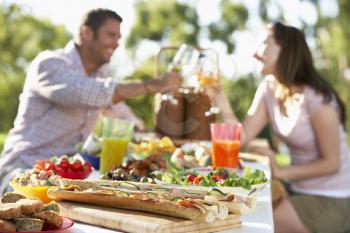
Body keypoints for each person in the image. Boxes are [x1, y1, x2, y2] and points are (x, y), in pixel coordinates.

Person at [0, 8, 181, 194]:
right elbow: (86, 93)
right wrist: (154, 84)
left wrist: (148, 134)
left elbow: (120, 112)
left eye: (119, 38)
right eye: (111, 35)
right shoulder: (50, 64)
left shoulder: (101, 75)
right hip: (24, 164)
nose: (117, 43)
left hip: (69, 173)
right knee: (39, 206)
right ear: (86, 32)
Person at [219, 22, 350, 233]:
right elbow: (240, 137)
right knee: (240, 208)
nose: (254, 53)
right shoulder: (269, 88)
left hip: (331, 199)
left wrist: (280, 171)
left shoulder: (317, 99)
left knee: (251, 222)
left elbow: (332, 163)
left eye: (262, 44)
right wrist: (218, 95)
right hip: (297, 190)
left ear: (286, 48)